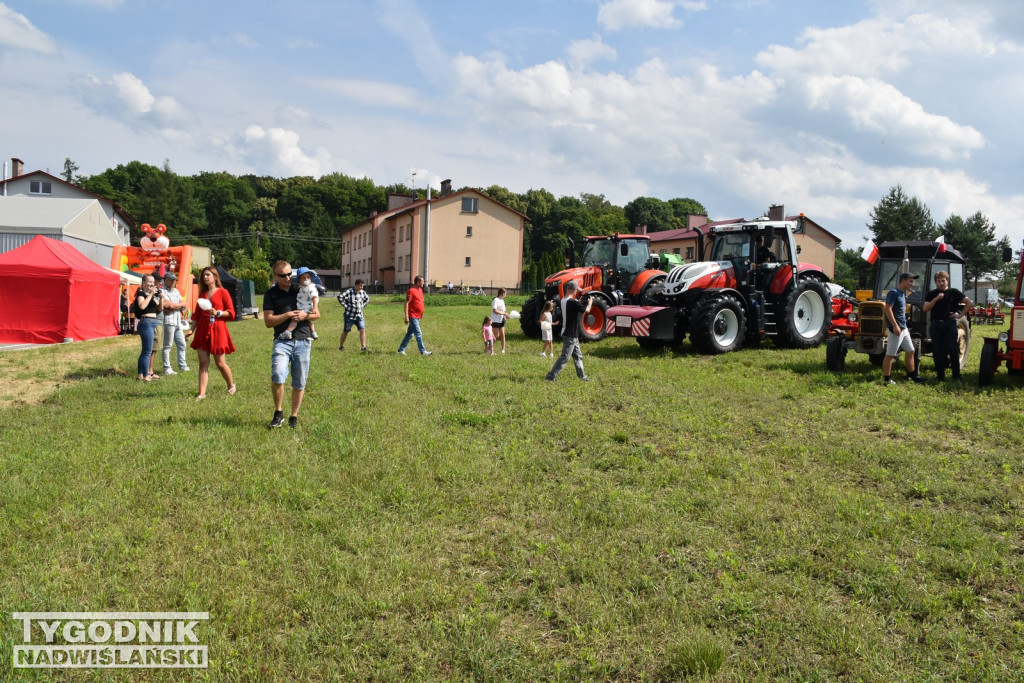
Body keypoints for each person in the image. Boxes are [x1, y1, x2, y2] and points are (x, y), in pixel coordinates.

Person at [264, 260, 320, 428]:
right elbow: (268, 321)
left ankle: (293, 416)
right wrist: (288, 314)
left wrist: (305, 316)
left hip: (303, 339)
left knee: (299, 381)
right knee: (278, 375)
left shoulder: (301, 287)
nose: (288, 278)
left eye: (290, 274)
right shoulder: (271, 294)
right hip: (282, 340)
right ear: (275, 276)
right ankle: (278, 413)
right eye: (283, 275)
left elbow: (317, 314)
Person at [186, 267, 236, 400]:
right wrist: (191, 330)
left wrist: (218, 312)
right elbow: (197, 315)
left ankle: (231, 386)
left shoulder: (223, 292)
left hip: (218, 329)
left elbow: (231, 313)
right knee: (203, 363)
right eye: (203, 276)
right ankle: (202, 394)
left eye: (208, 275)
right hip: (202, 329)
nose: (205, 277)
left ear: (215, 277)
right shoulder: (202, 294)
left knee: (220, 363)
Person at [923, 270, 971, 381]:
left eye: (943, 281)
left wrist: (960, 315)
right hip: (936, 324)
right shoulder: (932, 294)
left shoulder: (954, 292)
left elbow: (968, 303)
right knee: (937, 350)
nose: (941, 283)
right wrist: (936, 299)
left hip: (950, 323)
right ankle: (940, 376)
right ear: (935, 282)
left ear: (947, 281)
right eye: (938, 281)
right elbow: (925, 308)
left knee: (953, 349)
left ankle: (956, 375)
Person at [882, 272, 926, 385]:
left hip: (904, 328)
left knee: (911, 350)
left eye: (913, 281)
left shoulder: (902, 293)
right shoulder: (893, 293)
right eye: (910, 281)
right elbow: (888, 309)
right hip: (896, 329)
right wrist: (895, 325)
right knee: (890, 354)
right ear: (903, 280)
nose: (912, 283)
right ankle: (886, 379)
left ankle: (912, 376)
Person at [545, 281, 591, 382]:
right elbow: (586, 311)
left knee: (578, 356)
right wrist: (590, 303)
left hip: (569, 332)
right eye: (575, 290)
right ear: (573, 290)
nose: (576, 292)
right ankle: (550, 376)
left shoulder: (563, 300)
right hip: (570, 333)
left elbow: (572, 308)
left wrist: (578, 302)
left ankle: (582, 376)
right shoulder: (572, 302)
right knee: (565, 357)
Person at [159, 272, 191, 375]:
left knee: (182, 344)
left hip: (177, 322)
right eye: (171, 280)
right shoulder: (162, 291)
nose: (174, 281)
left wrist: (175, 305)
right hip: (168, 322)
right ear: (165, 280)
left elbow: (184, 304)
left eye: (175, 280)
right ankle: (167, 368)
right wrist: (178, 305)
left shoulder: (176, 291)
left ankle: (182, 365)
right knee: (167, 346)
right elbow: (169, 306)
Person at [134, 274, 162, 381]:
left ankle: (140, 374)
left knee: (145, 351)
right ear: (144, 283)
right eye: (149, 282)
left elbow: (159, 308)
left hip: (152, 322)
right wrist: (150, 295)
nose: (152, 284)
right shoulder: (141, 293)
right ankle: (146, 375)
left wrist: (161, 298)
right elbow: (142, 306)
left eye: (153, 282)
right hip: (146, 322)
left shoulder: (151, 295)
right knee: (147, 352)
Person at [280, 268, 319, 341]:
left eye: (308, 277)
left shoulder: (310, 288)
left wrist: (315, 307)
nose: (306, 279)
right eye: (303, 278)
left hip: (305, 307)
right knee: (308, 320)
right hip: (304, 307)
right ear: (299, 280)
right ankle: (313, 332)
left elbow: (314, 297)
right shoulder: (302, 288)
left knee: (295, 319)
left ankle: (288, 332)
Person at [397, 275, 432, 356]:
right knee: (418, 333)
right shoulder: (411, 291)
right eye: (423, 281)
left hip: (418, 316)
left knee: (410, 333)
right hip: (412, 316)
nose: (424, 282)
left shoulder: (420, 290)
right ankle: (423, 351)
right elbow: (406, 303)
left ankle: (401, 350)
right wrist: (406, 316)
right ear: (418, 282)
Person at [338, 279, 370, 351]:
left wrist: (362, 305)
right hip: (349, 316)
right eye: (360, 286)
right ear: (356, 285)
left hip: (359, 316)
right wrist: (346, 306)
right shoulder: (349, 292)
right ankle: (341, 346)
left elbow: (367, 299)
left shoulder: (362, 293)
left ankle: (363, 347)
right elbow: (340, 297)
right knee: (346, 331)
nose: (361, 287)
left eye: (362, 286)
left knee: (362, 330)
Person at [491, 287, 509, 354]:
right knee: (496, 336)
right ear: (503, 293)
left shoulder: (502, 301)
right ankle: (490, 348)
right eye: (505, 293)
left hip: (501, 321)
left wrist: (506, 316)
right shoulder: (495, 300)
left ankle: (503, 350)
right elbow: (494, 310)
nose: (506, 295)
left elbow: (503, 311)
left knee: (502, 335)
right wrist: (503, 313)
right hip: (495, 320)